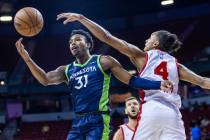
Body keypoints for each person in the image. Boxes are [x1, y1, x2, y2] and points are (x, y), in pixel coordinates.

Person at [57, 12, 210, 140]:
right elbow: (203, 81)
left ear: (156, 43)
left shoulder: (142, 56)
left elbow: (107, 37)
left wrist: (82, 18)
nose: (146, 40)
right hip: (173, 115)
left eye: (150, 38)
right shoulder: (177, 65)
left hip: (151, 110)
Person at [15, 29, 172, 140]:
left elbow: (133, 81)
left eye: (77, 40)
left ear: (88, 44)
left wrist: (158, 84)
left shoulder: (103, 61)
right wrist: (27, 58)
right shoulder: (67, 70)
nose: (73, 43)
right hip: (78, 121)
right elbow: (45, 80)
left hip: (98, 120)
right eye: (70, 42)